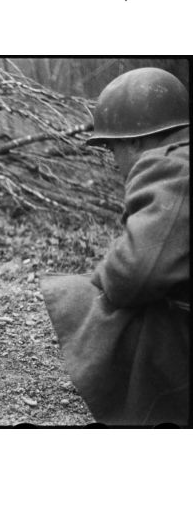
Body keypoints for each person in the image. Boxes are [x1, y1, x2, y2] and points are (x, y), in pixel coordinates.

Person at [40, 68, 190, 426]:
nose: (114, 161)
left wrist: (102, 275)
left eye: (112, 147)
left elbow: (134, 274)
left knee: (83, 295)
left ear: (135, 141)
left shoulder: (169, 166)